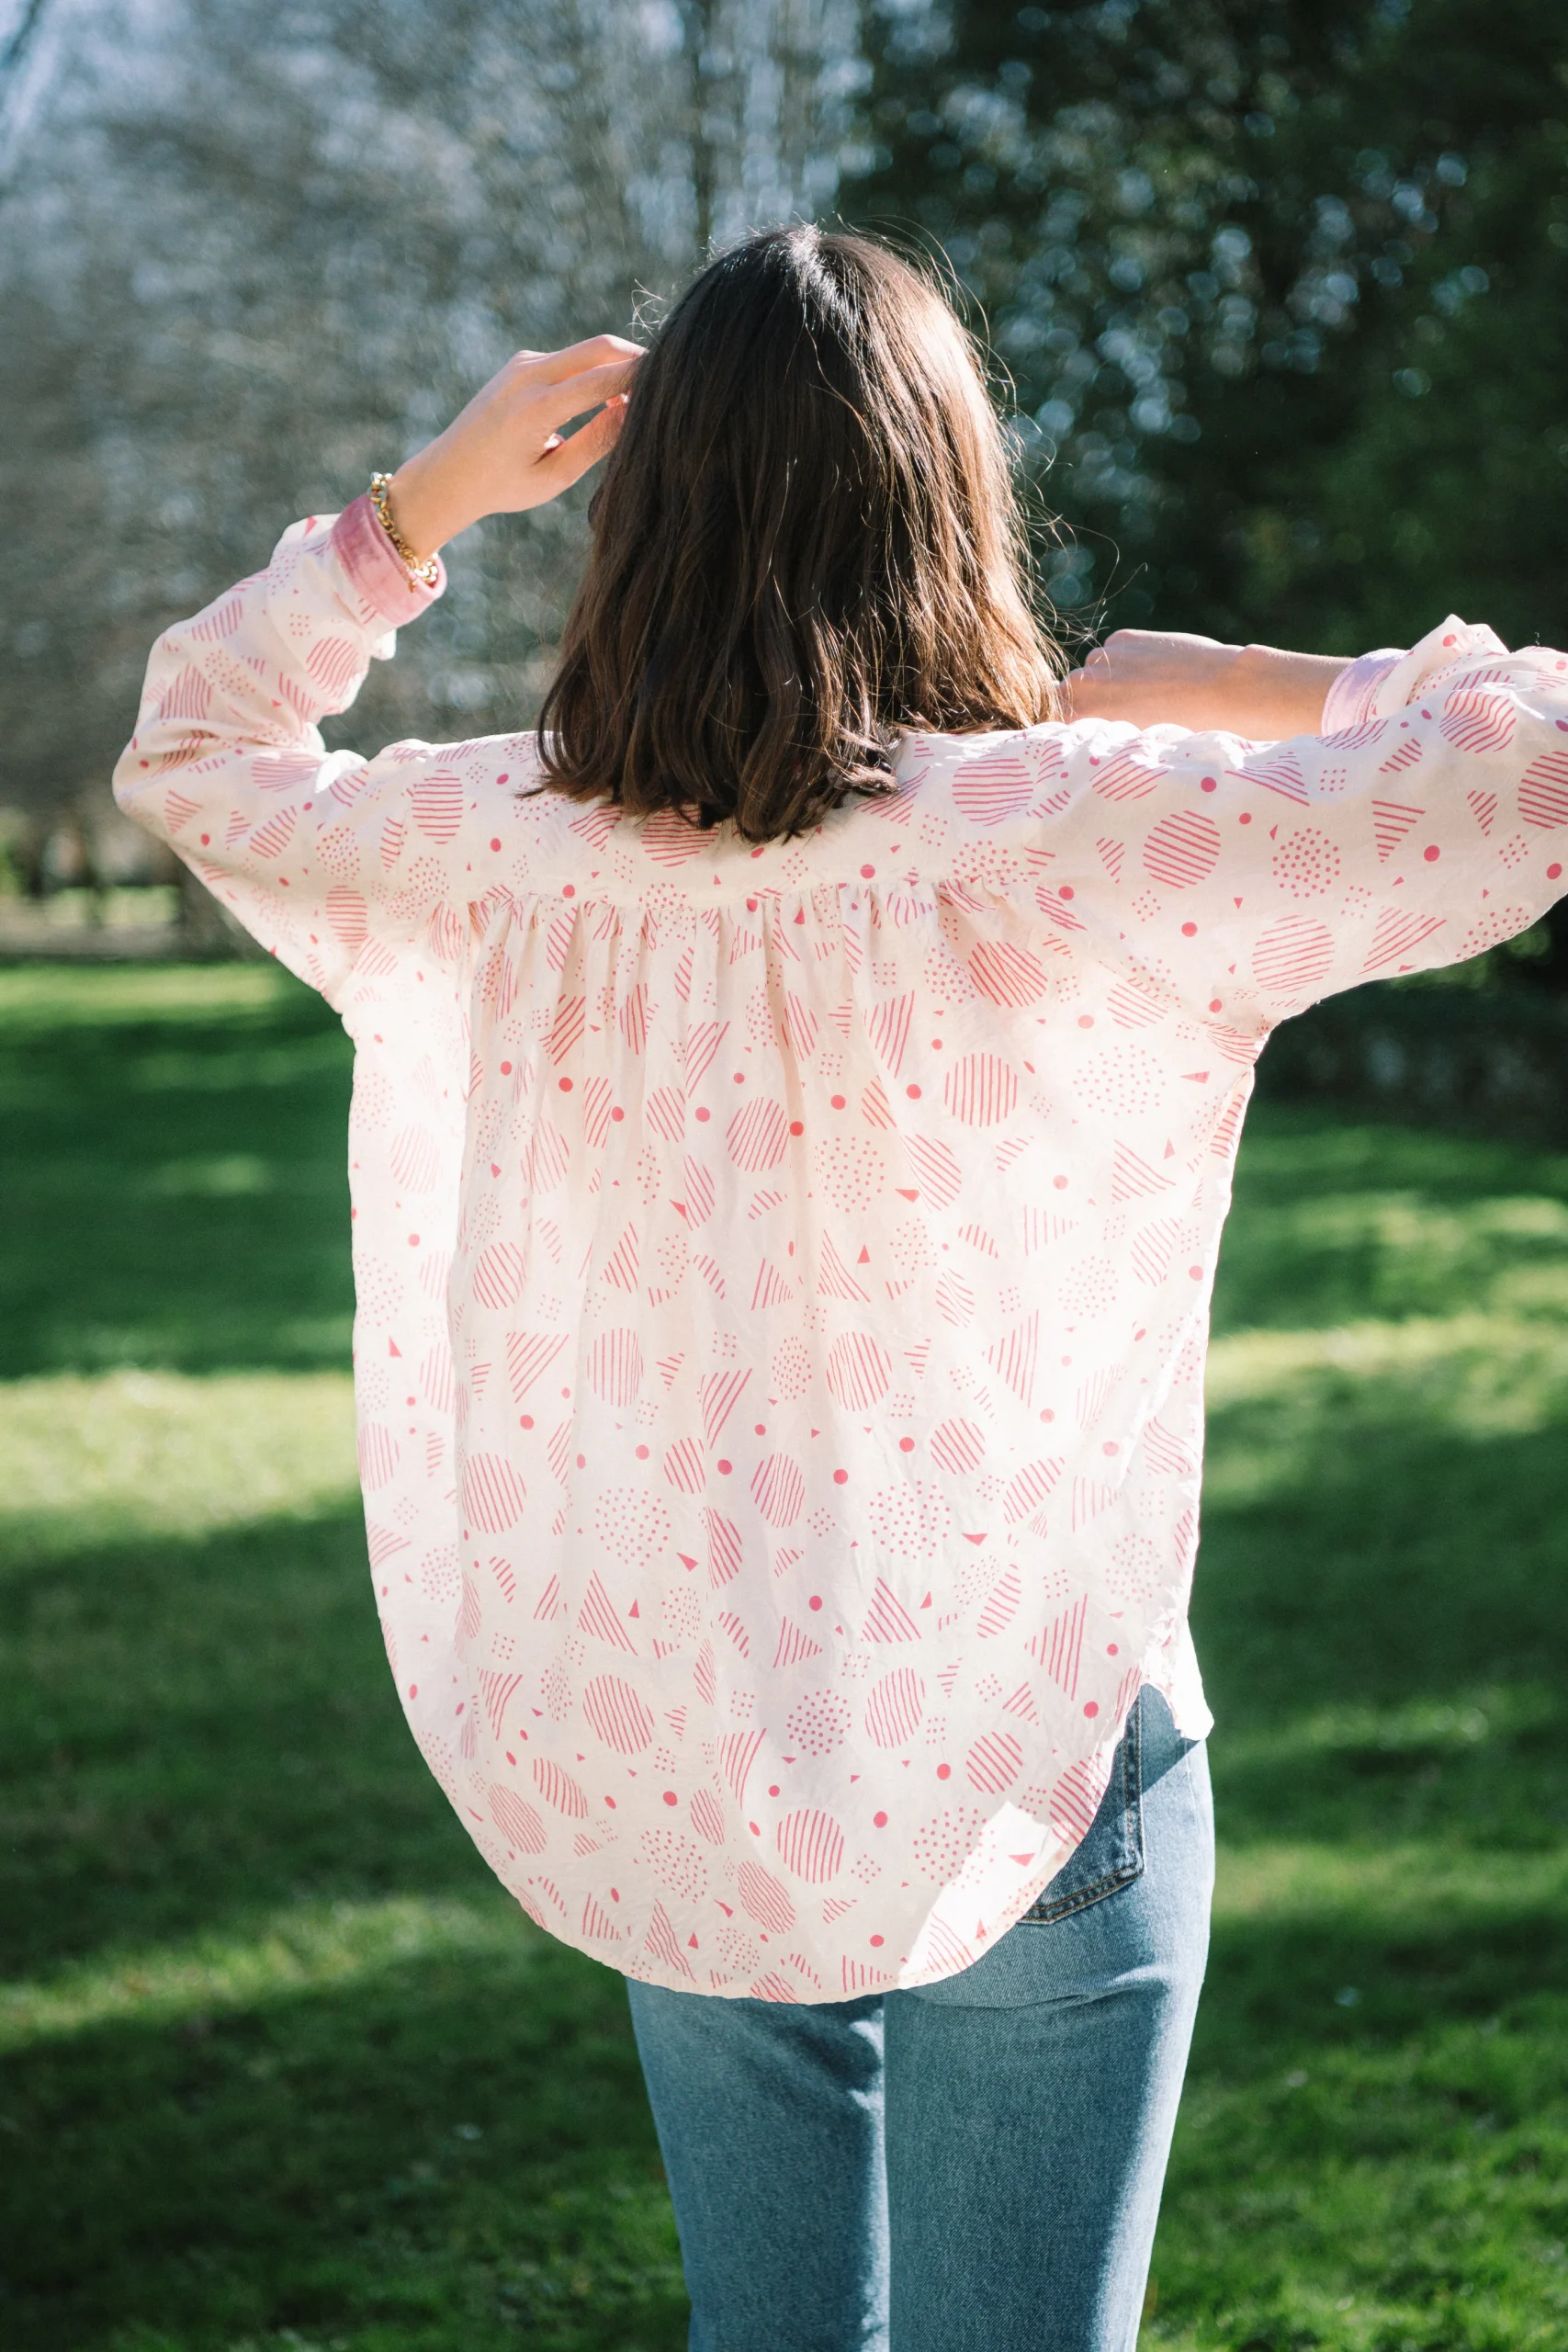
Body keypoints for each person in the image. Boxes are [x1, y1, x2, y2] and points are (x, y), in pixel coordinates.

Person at [114, 224, 1568, 2352]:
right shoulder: (1075, 827)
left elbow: (199, 753)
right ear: (947, 498)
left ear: (642, 512)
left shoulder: (501, 847)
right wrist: (1228, 679)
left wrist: (417, 505)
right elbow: (1531, 760)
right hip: (1032, 1732)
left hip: (675, 1717)